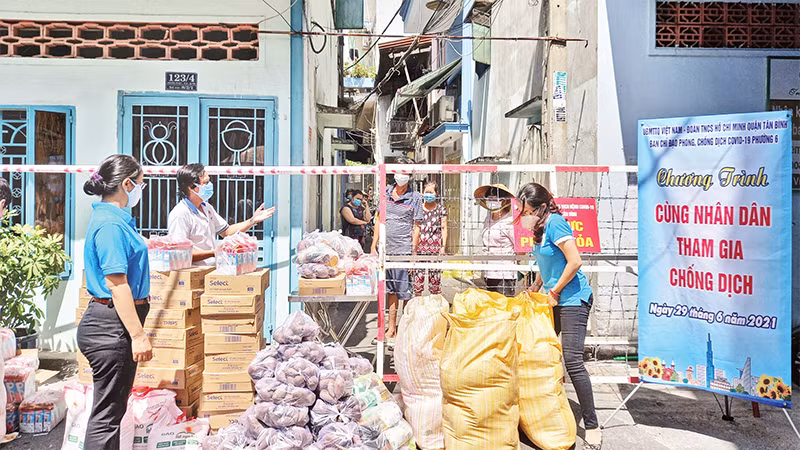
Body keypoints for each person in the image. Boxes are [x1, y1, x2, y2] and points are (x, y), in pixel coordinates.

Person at [517, 182, 600, 450]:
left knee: (572, 361)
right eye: (522, 211)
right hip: (550, 298)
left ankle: (592, 424)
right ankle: (545, 416)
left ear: (542, 207)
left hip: (573, 299)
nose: (525, 215)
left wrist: (554, 291)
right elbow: (548, 261)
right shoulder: (539, 228)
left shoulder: (556, 224)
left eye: (528, 210)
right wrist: (537, 285)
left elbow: (574, 261)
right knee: (540, 355)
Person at [78, 155, 153, 449]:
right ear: (126, 183)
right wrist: (138, 335)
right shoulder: (110, 225)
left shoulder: (116, 220)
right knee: (107, 415)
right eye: (141, 183)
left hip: (110, 323)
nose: (141, 188)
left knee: (111, 410)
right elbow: (117, 283)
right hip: (111, 327)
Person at [167, 163, 275, 264]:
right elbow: (180, 252)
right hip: (190, 275)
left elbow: (227, 232)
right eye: (205, 183)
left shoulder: (206, 208)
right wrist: (214, 252)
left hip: (209, 272)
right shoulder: (180, 214)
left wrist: (252, 221)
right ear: (191, 187)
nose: (209, 186)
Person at [370, 159, 423, 340]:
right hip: (386, 249)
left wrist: (413, 253)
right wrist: (373, 244)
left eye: (405, 173)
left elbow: (417, 226)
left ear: (409, 176)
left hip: (403, 249)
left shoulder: (415, 197)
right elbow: (378, 219)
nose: (401, 175)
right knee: (390, 290)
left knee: (405, 291)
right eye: (398, 171)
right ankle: (391, 327)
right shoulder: (385, 192)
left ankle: (405, 326)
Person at [475, 184, 517, 297]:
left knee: (504, 307)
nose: (492, 201)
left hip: (505, 274)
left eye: (495, 199)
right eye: (490, 198)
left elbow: (519, 249)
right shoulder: (488, 218)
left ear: (504, 201)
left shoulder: (509, 222)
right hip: (488, 271)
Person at [412, 180, 447, 296]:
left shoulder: (441, 209)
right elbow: (416, 229)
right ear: (422, 193)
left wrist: (443, 247)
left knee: (435, 281)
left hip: (435, 249)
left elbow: (444, 228)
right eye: (426, 192)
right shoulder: (419, 209)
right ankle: (417, 306)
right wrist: (414, 249)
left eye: (431, 192)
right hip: (420, 248)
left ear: (436, 194)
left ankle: (435, 307)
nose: (428, 195)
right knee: (418, 280)